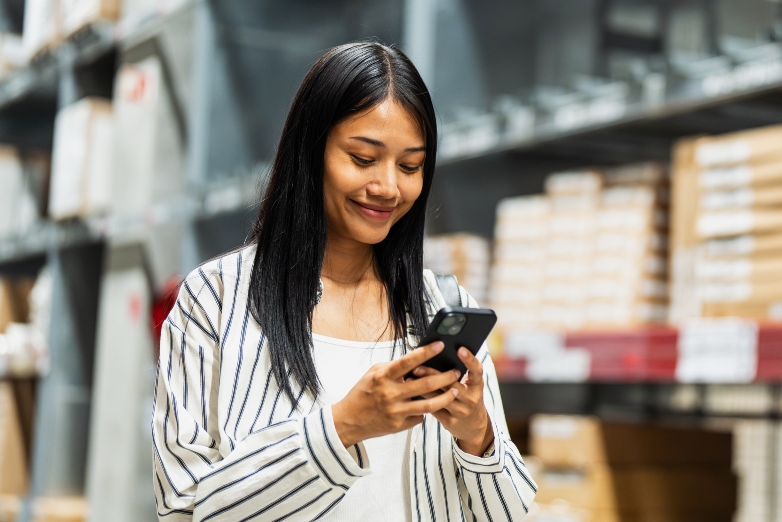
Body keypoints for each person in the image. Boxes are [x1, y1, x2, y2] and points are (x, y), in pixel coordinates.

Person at [152, 42, 537, 521]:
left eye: (410, 166)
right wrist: (342, 427)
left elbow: (512, 514)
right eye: (362, 158)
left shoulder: (444, 306)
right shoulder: (216, 300)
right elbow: (181, 504)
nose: (388, 187)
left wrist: (478, 435)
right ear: (310, 152)